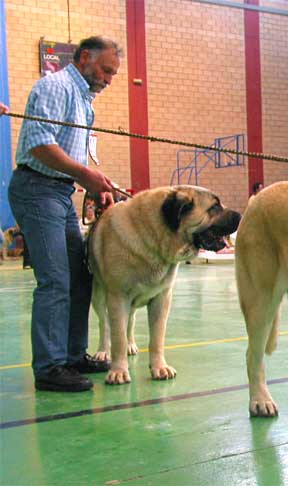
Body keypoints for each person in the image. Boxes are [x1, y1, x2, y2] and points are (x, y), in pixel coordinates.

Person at [3, 36, 122, 392]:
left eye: (113, 74)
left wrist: (92, 185)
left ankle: (72, 355)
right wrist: (85, 175)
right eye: (105, 70)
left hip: (59, 192)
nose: (109, 79)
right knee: (56, 279)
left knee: (79, 275)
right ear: (84, 58)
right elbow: (41, 145)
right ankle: (50, 367)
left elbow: (72, 156)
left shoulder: (84, 101)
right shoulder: (56, 87)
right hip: (37, 190)